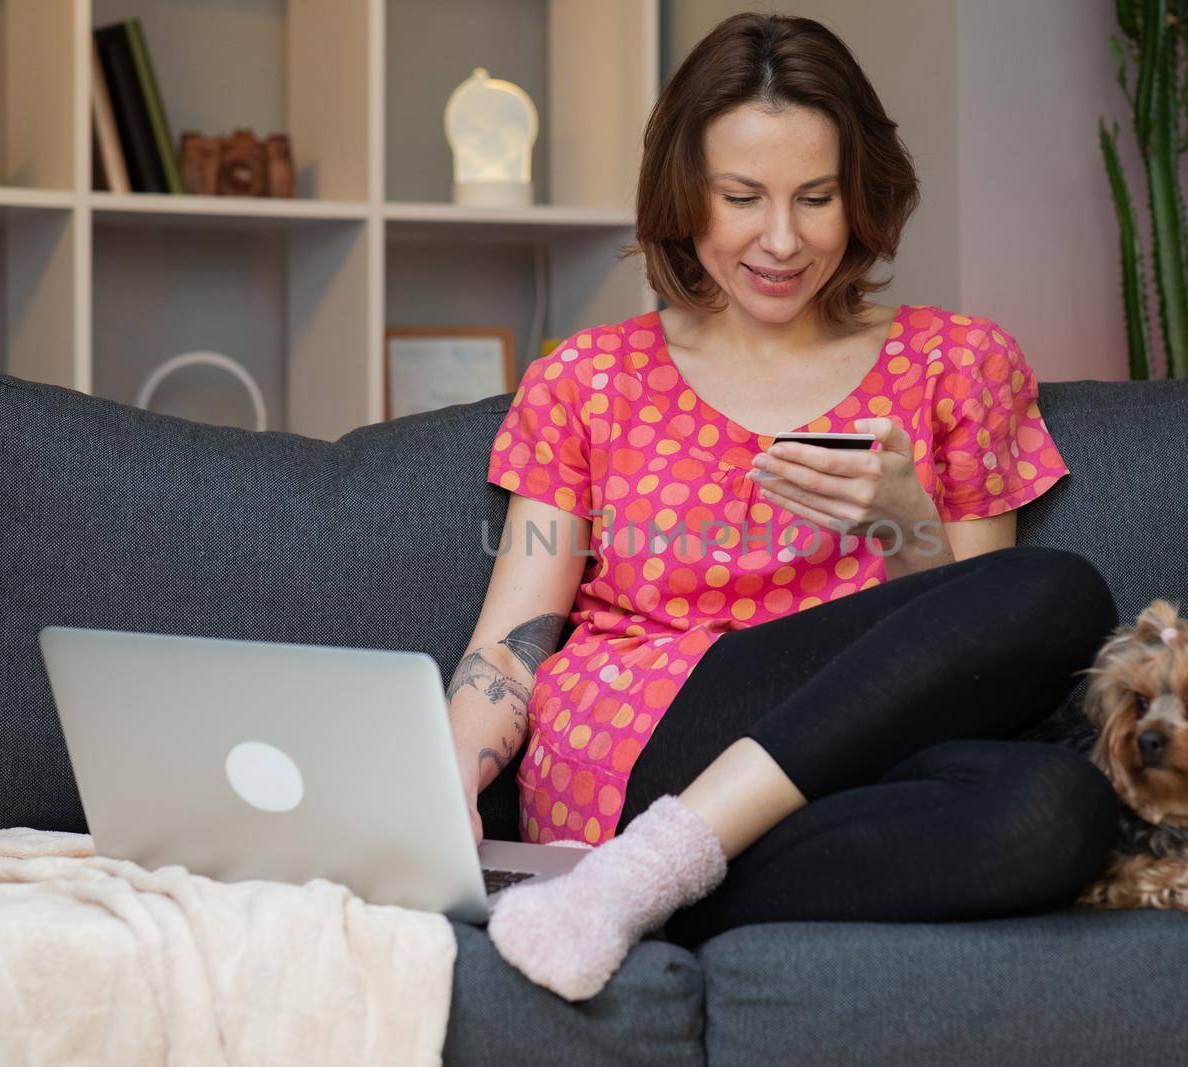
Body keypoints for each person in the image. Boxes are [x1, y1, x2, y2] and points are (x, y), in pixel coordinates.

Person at [445, 11, 1122, 1002]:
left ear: (861, 197)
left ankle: (636, 884)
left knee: (1057, 806)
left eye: (816, 197)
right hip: (640, 736)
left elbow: (985, 655)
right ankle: (641, 862)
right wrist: (450, 784)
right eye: (740, 196)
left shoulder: (957, 362)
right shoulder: (585, 378)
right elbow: (514, 641)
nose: (780, 239)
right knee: (1061, 586)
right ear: (687, 194)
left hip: (840, 772)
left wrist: (903, 518)